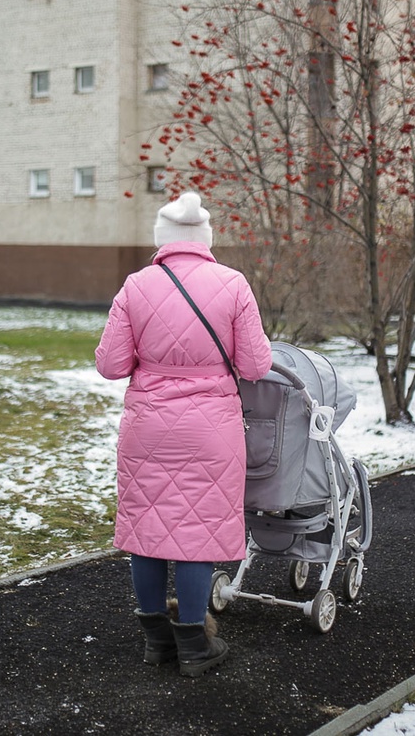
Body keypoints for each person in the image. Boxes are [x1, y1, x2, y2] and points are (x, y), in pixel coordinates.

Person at [95, 192, 272, 677]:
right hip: (211, 429)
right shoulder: (233, 284)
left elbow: (110, 365)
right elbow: (256, 365)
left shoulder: (135, 286)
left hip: (147, 428)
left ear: (163, 241)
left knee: (146, 530)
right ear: (204, 240)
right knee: (197, 530)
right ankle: (195, 645)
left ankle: (156, 642)